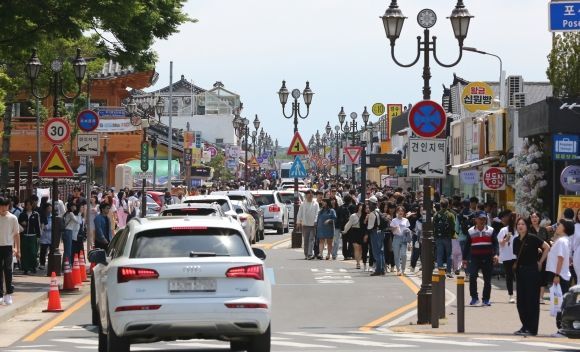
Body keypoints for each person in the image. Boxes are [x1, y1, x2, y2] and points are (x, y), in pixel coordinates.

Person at [513, 217, 550, 336]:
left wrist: (540, 262)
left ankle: (532, 328)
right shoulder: (515, 240)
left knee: (532, 301)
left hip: (532, 272)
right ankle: (525, 326)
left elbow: (547, 247)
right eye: (518, 224)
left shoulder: (533, 238)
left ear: (527, 226)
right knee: (521, 302)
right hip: (520, 272)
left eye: (523, 224)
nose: (520, 226)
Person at [463, 210, 499, 306]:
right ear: (475, 220)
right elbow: (467, 246)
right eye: (480, 219)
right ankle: (474, 298)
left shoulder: (491, 230)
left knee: (487, 280)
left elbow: (495, 244)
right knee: (473, 277)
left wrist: (496, 254)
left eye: (484, 219)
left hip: (487, 258)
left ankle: (486, 299)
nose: (482, 221)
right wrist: (464, 259)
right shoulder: (470, 231)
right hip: (474, 258)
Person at [547, 219, 574, 331]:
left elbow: (560, 258)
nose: (557, 226)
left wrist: (557, 275)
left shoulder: (562, 241)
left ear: (565, 228)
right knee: (560, 302)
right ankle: (561, 328)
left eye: (560, 225)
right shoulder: (564, 240)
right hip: (563, 275)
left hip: (561, 276)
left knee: (560, 303)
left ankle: (561, 328)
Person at [0, 197, 20, 305]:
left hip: (8, 247)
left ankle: (8, 294)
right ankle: (0, 295)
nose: (3, 208)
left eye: (5, 206)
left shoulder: (13, 218)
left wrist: (18, 249)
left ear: (8, 206)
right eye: (1, 205)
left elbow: (17, 234)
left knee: (8, 270)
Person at [529, 211, 551, 304]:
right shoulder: (528, 230)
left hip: (543, 256)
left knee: (542, 277)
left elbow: (548, 241)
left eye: (536, 217)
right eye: (532, 217)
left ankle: (541, 297)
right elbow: (526, 242)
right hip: (531, 257)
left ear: (539, 218)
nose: (534, 219)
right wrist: (535, 248)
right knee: (532, 277)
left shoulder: (543, 230)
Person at [433, 198, 456, 277]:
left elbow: (433, 226)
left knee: (440, 255)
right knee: (449, 254)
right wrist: (452, 235)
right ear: (448, 205)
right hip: (448, 237)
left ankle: (440, 272)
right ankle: (449, 272)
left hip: (438, 237)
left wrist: (435, 235)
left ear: (440, 205)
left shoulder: (436, 214)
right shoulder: (450, 215)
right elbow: (453, 227)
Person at [497, 213, 517, 303]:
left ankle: (520, 294)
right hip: (507, 256)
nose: (514, 220)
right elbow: (500, 243)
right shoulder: (504, 230)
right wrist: (505, 240)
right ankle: (511, 295)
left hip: (517, 256)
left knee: (519, 275)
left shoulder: (519, 229)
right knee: (509, 275)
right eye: (512, 218)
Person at [18, 200, 41, 274]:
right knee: (24, 252)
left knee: (33, 252)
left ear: (32, 205)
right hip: (24, 235)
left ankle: (33, 267)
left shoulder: (35, 214)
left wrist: (38, 235)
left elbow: (38, 225)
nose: (28, 206)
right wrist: (22, 223)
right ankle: (25, 268)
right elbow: (18, 224)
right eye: (26, 205)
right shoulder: (22, 214)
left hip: (32, 235)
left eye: (29, 205)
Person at [296, 190, 319, 260]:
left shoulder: (315, 203)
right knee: (306, 240)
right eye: (309, 194)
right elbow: (299, 213)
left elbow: (317, 213)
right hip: (305, 224)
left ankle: (310, 254)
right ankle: (306, 254)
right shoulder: (303, 204)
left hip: (313, 225)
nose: (310, 196)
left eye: (311, 195)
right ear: (306, 196)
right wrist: (298, 222)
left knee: (311, 239)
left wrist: (315, 221)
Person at [366, 196, 385, 276]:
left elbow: (370, 227)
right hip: (381, 232)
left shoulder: (372, 214)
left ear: (372, 204)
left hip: (375, 233)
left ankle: (378, 270)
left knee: (376, 252)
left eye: (369, 203)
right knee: (381, 251)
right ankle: (382, 269)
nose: (368, 205)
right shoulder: (378, 211)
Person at [343, 203, 364, 269]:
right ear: (358, 207)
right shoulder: (353, 215)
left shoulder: (365, 215)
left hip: (362, 232)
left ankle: (359, 261)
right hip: (355, 231)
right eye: (360, 206)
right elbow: (349, 223)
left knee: (360, 249)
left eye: (363, 206)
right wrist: (345, 230)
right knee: (356, 248)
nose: (361, 207)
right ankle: (358, 263)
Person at [390, 206, 410, 276]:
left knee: (404, 254)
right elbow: (392, 230)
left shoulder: (406, 220)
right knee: (396, 255)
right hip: (396, 238)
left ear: (404, 212)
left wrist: (409, 242)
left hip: (404, 238)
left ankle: (403, 269)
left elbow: (408, 231)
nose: (400, 212)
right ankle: (398, 270)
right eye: (399, 211)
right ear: (397, 212)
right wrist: (395, 227)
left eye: (402, 211)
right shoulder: (394, 220)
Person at [38, 204, 52, 270]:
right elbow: (42, 226)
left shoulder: (52, 217)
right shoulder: (43, 217)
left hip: (51, 236)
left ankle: (51, 263)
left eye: (50, 208)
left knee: (51, 250)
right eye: (48, 208)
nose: (50, 210)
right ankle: (42, 264)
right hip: (44, 236)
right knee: (43, 251)